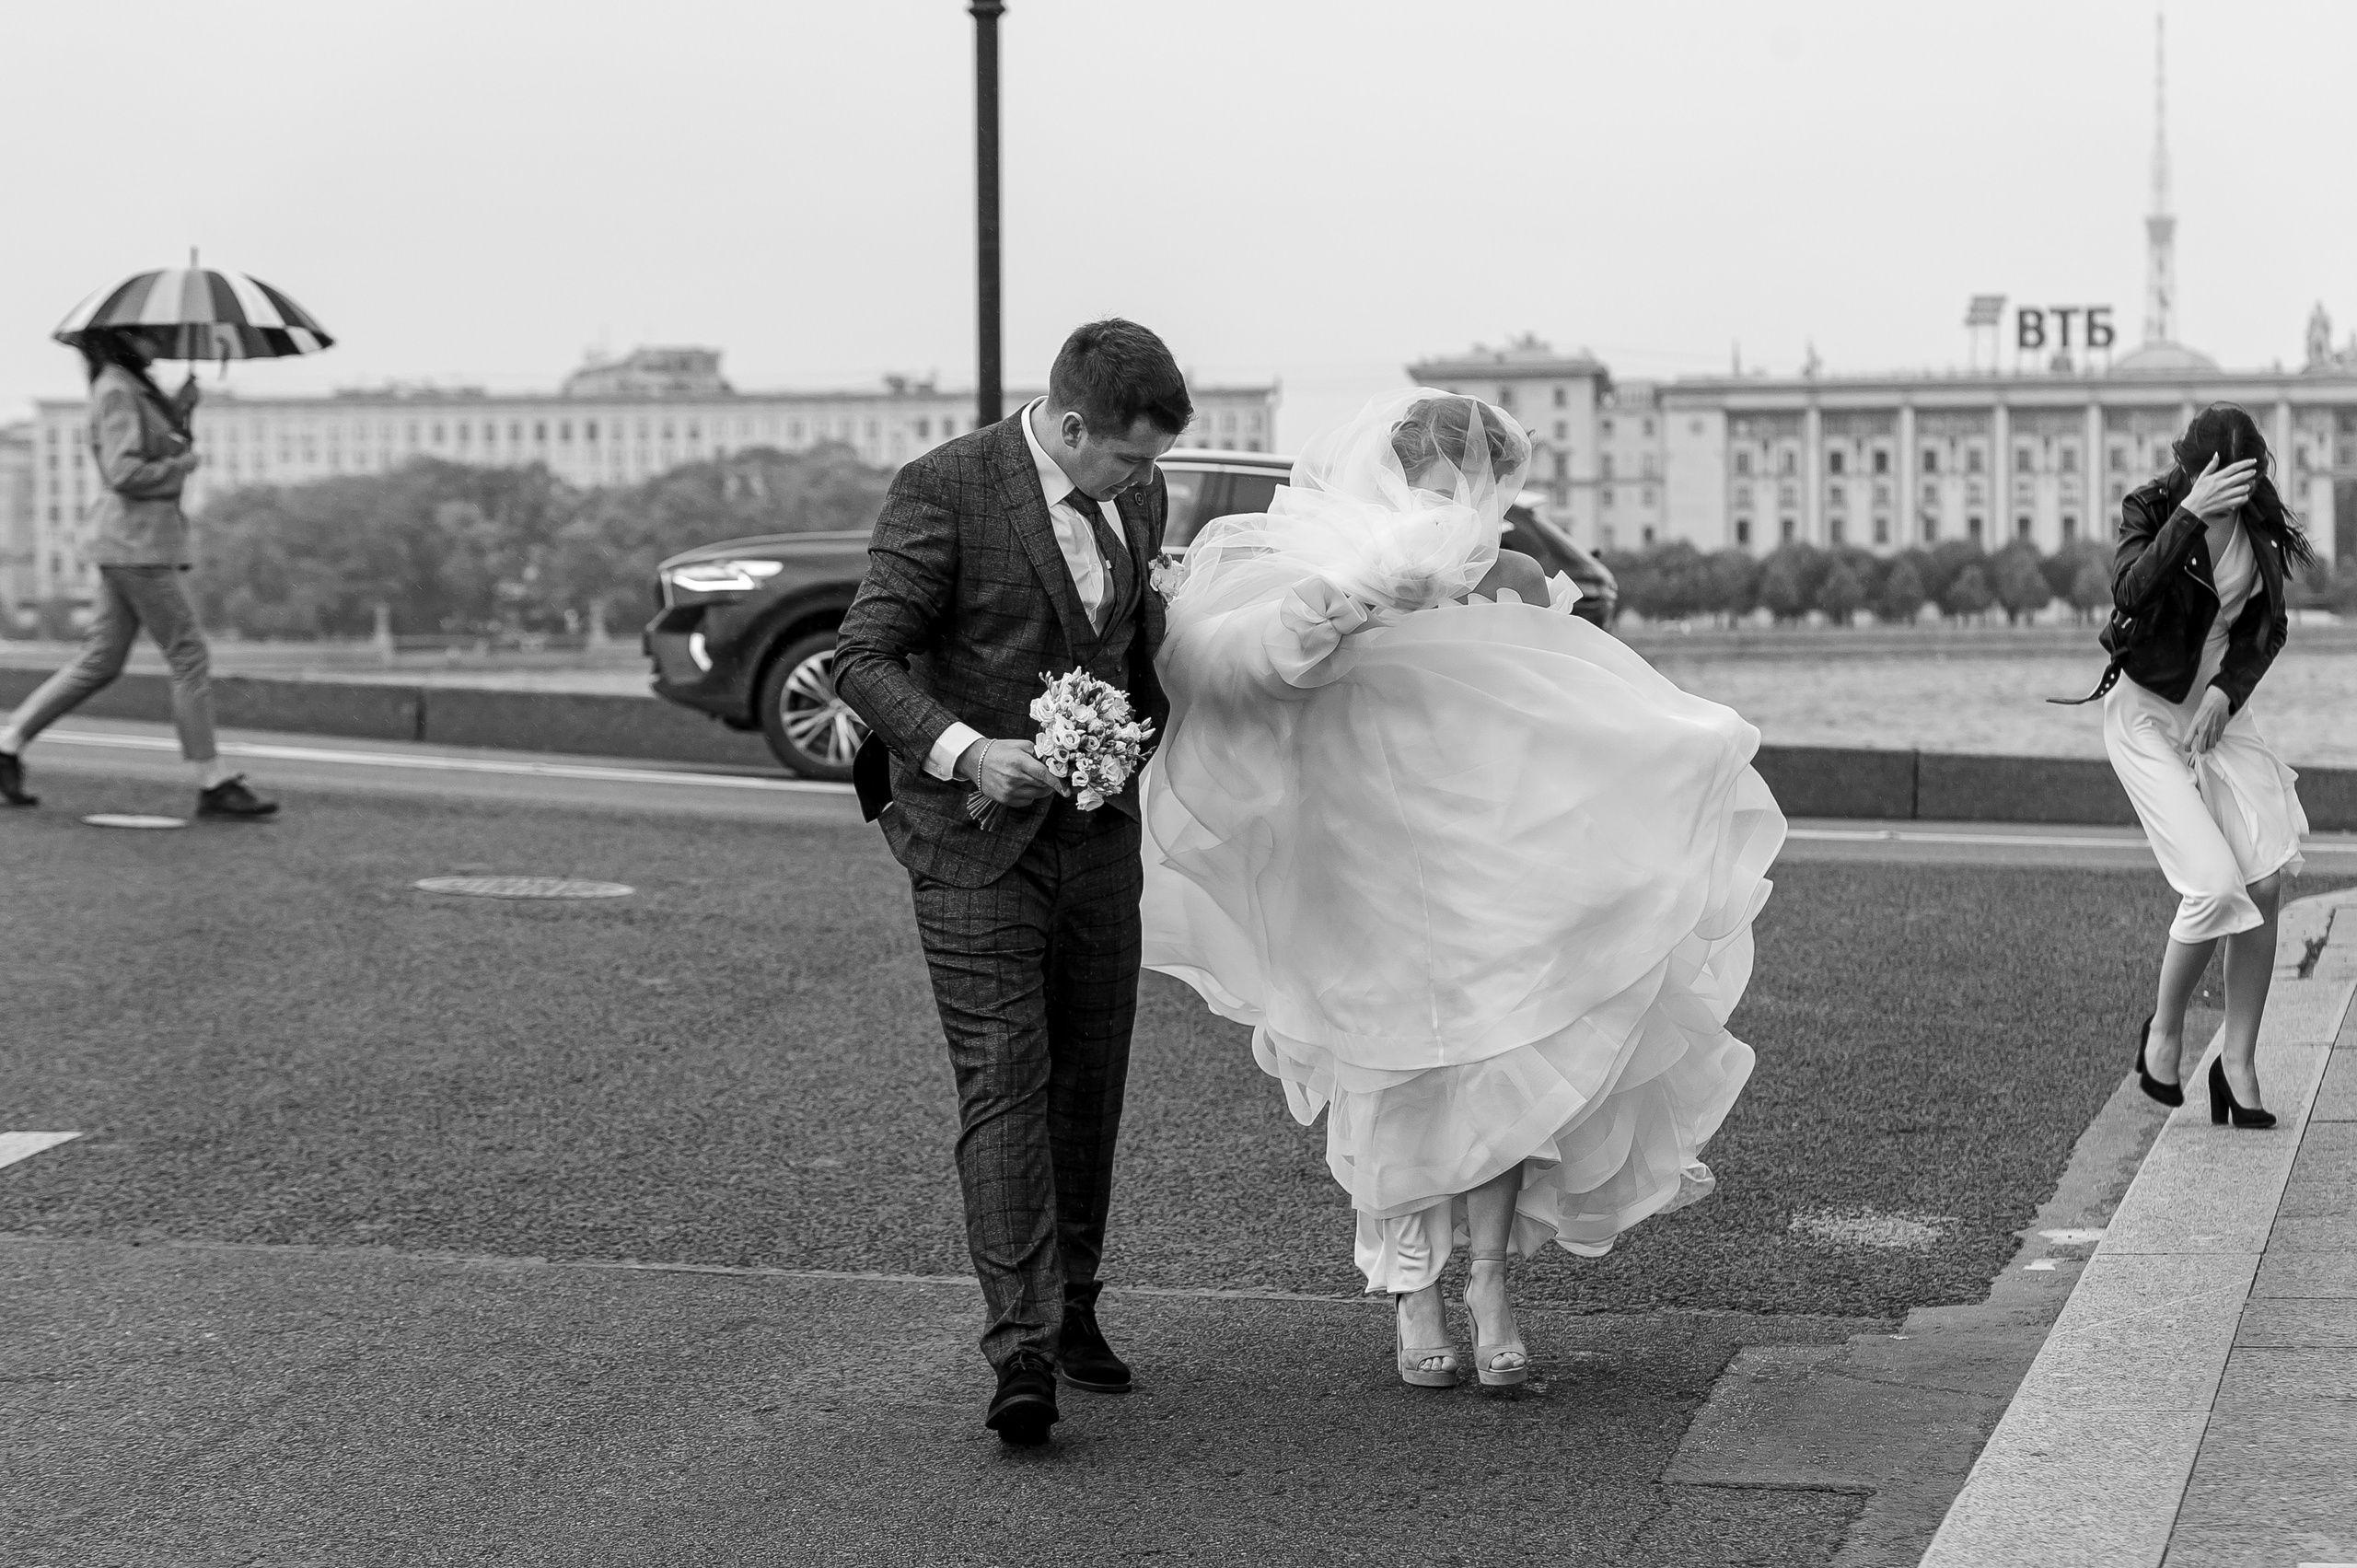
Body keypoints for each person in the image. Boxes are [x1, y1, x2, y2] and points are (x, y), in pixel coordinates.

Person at [1140, 390, 1783, 1387]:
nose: (1467, 507)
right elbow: (1231, 671)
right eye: (1446, 488)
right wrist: (1339, 607)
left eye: (1480, 487)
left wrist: (1678, 747)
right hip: (1365, 861)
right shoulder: (1326, 569)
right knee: (1391, 1071)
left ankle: (1488, 1283)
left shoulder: (1515, 575)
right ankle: (1412, 1290)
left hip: (1488, 853)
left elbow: (1564, 704)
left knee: (1501, 1054)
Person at [832, 319, 1188, 1445]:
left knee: (1090, 1080)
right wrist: (968, 751)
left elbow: (1129, 648)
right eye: (1127, 457)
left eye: (1152, 462)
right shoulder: (944, 486)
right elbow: (862, 658)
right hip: (970, 838)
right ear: (1071, 426)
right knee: (1006, 1078)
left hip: (1098, 833)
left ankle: (1074, 1305)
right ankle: (1021, 1348)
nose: (1142, 478)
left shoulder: (1139, 493)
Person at [2100, 405, 2312, 1128]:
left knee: (2265, 877)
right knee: (2216, 885)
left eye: (2239, 487)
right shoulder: (2153, 507)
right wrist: (2190, 513)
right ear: (2190, 470)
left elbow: (2269, 627)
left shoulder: (2258, 520)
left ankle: (2237, 1063)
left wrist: (2227, 691)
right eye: (2216, 487)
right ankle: (2163, 1032)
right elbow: (2130, 592)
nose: (2231, 502)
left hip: (2220, 711)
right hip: (2147, 714)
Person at [0, 329, 276, 818]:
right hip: (136, 545)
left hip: (130, 542)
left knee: (101, 661)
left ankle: (7, 744)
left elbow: (150, 450)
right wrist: (182, 464)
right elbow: (124, 473)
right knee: (187, 654)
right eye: (148, 335)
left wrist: (180, 411)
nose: (158, 341)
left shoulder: (129, 388)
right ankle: (212, 780)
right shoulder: (117, 390)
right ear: (118, 340)